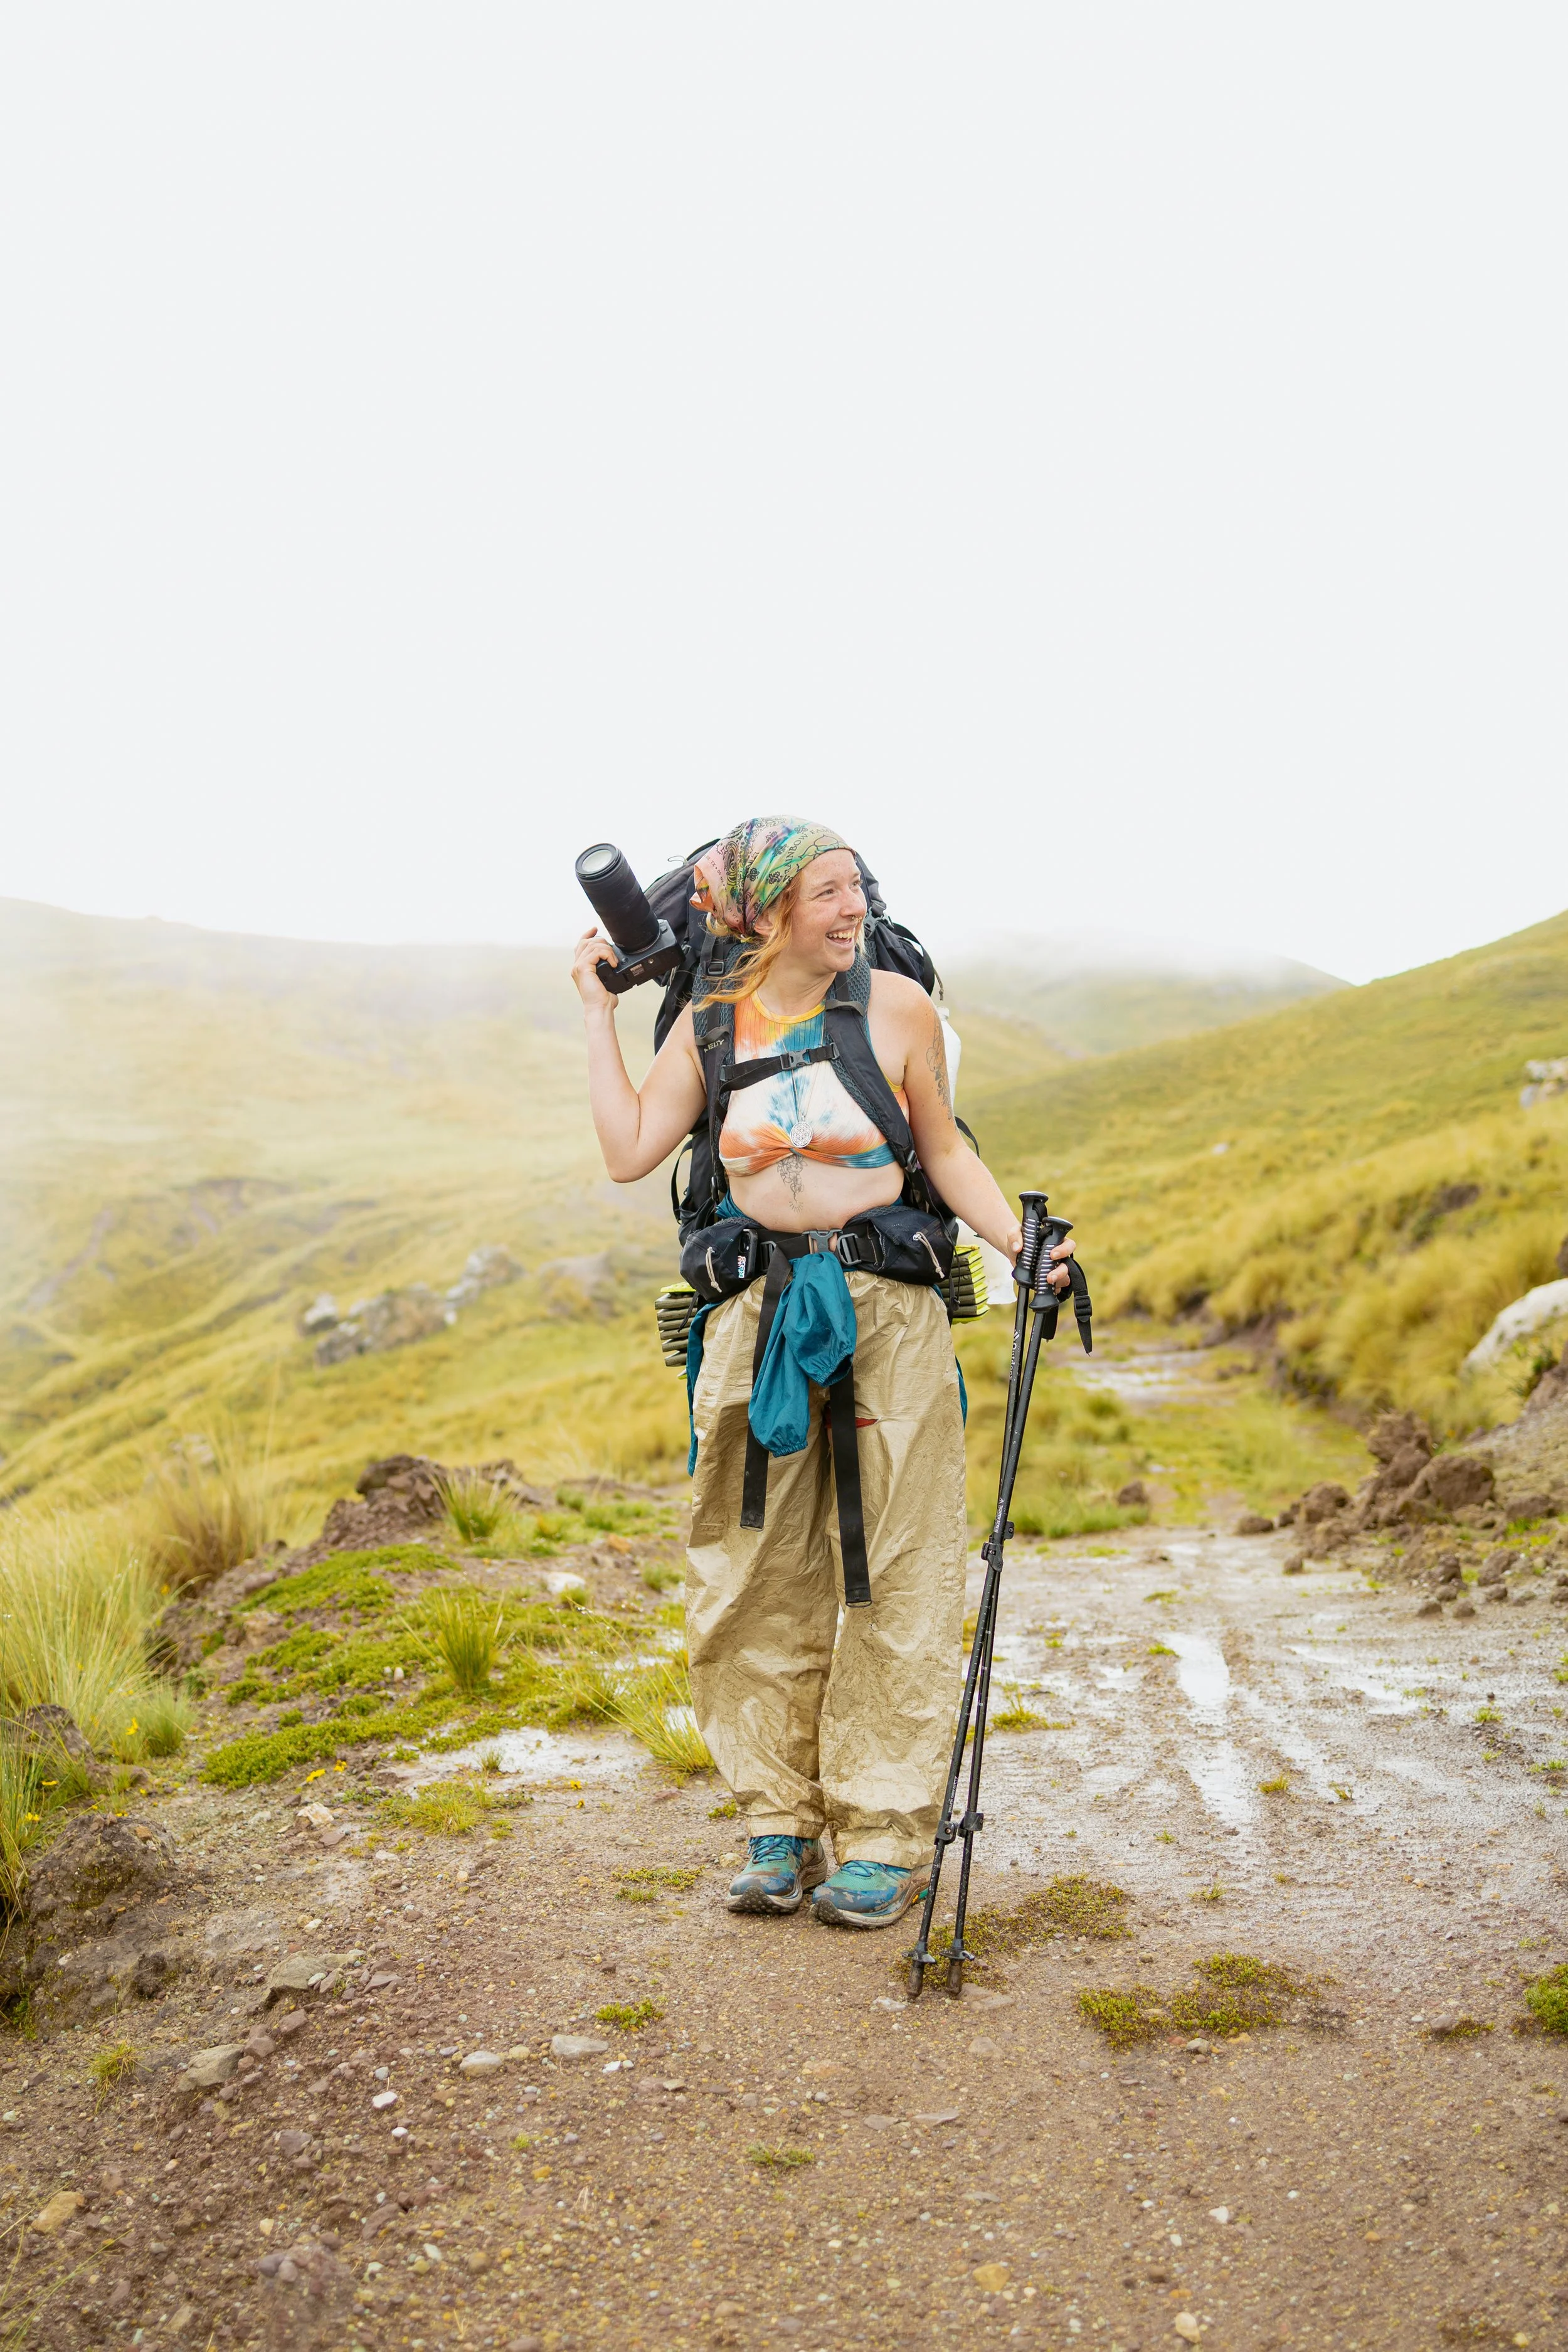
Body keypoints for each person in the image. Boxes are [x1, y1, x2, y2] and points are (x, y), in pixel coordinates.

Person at [572, 816, 1073, 1929]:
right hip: (755, 1315)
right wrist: (597, 1013)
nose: (851, 910)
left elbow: (943, 1151)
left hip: (885, 1312)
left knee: (898, 1566)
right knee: (749, 1568)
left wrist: (1019, 1243)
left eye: (855, 888)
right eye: (826, 893)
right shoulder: (708, 1024)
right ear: (762, 910)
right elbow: (628, 1150)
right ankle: (777, 1826)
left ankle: (885, 1835)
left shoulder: (896, 1011)